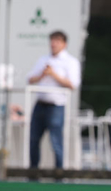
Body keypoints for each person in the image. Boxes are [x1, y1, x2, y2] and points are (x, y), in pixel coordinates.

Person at [27, 30, 81, 169]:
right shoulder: (43, 59)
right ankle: (33, 173)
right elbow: (31, 79)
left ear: (64, 44)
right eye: (52, 40)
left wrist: (53, 74)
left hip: (56, 106)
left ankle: (59, 175)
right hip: (40, 105)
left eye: (57, 41)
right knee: (33, 140)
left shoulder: (71, 61)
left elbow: (73, 84)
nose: (53, 44)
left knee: (56, 142)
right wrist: (42, 75)